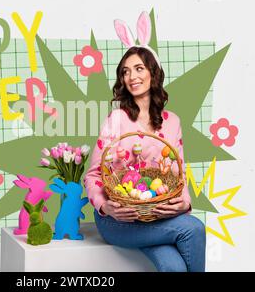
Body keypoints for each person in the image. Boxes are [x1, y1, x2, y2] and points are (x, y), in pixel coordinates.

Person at [83, 42, 206, 272]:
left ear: (153, 73)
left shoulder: (173, 122)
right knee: (194, 229)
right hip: (118, 220)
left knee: (174, 267)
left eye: (139, 68)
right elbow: (92, 175)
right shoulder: (116, 119)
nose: (131, 76)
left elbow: (179, 173)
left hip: (156, 216)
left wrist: (184, 204)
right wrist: (105, 207)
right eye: (125, 71)